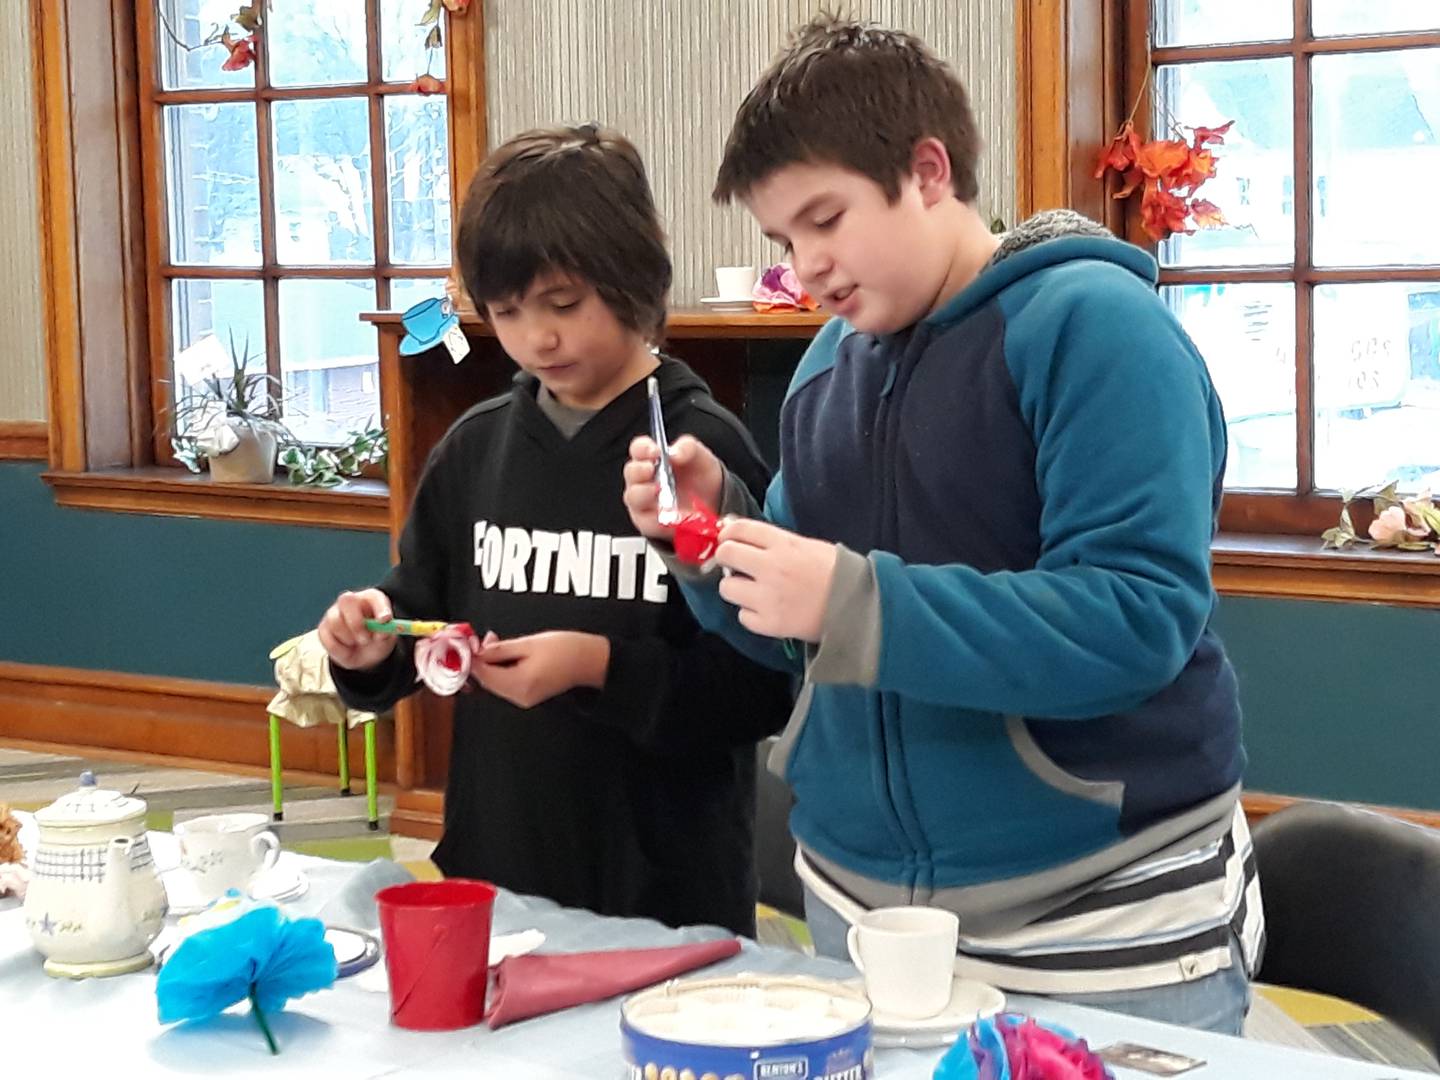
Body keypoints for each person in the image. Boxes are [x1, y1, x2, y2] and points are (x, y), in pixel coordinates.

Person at [622, 16, 1262, 1032]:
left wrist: (850, 597)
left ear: (927, 171)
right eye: (784, 241)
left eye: (825, 219)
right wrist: (711, 540)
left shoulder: (1095, 330)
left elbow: (1137, 618)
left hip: (1097, 916)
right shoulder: (828, 370)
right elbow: (804, 634)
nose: (806, 266)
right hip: (863, 913)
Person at [319, 124, 791, 937]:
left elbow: (759, 687)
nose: (538, 337)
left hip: (667, 891)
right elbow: (419, 609)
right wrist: (371, 645)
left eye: (564, 304)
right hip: (496, 875)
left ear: (632, 277)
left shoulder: (699, 449)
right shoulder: (474, 449)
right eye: (506, 312)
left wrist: (599, 667)